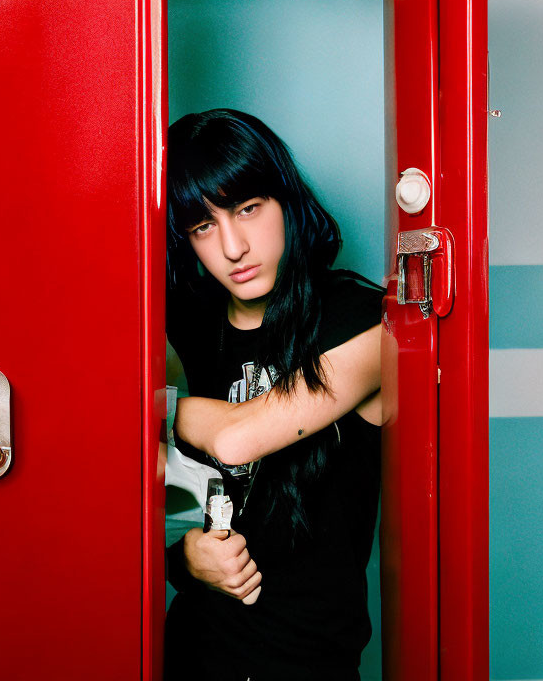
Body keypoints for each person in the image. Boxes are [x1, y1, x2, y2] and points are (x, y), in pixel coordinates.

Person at [164, 108, 384, 681]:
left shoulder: (363, 320)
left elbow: (239, 439)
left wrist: (158, 408)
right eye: (203, 226)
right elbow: (153, 494)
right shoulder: (188, 326)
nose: (233, 247)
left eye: (247, 209)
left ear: (286, 201)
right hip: (194, 651)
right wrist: (183, 559)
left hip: (304, 663)